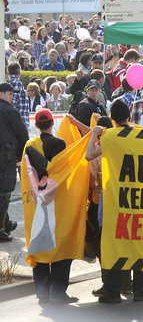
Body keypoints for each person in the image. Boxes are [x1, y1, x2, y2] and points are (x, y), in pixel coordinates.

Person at [86, 101, 143, 303]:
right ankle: (140, 290)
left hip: (114, 198)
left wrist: (94, 133)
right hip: (138, 198)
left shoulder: (110, 137)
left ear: (112, 119)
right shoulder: (141, 137)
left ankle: (113, 291)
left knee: (113, 244)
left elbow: (89, 155)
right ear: (129, 118)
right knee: (138, 242)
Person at [26, 109, 75, 303]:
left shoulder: (29, 145)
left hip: (37, 202)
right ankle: (57, 293)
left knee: (40, 244)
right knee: (61, 246)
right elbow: (62, 172)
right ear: (52, 123)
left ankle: (42, 292)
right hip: (57, 202)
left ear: (36, 126)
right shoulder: (59, 144)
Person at [0, 82, 29, 242]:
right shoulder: (10, 111)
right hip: (5, 157)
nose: (12, 97)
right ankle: (1, 228)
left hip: (5, 154)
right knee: (4, 192)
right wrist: (21, 155)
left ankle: (6, 222)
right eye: (9, 94)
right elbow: (23, 134)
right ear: (1, 94)